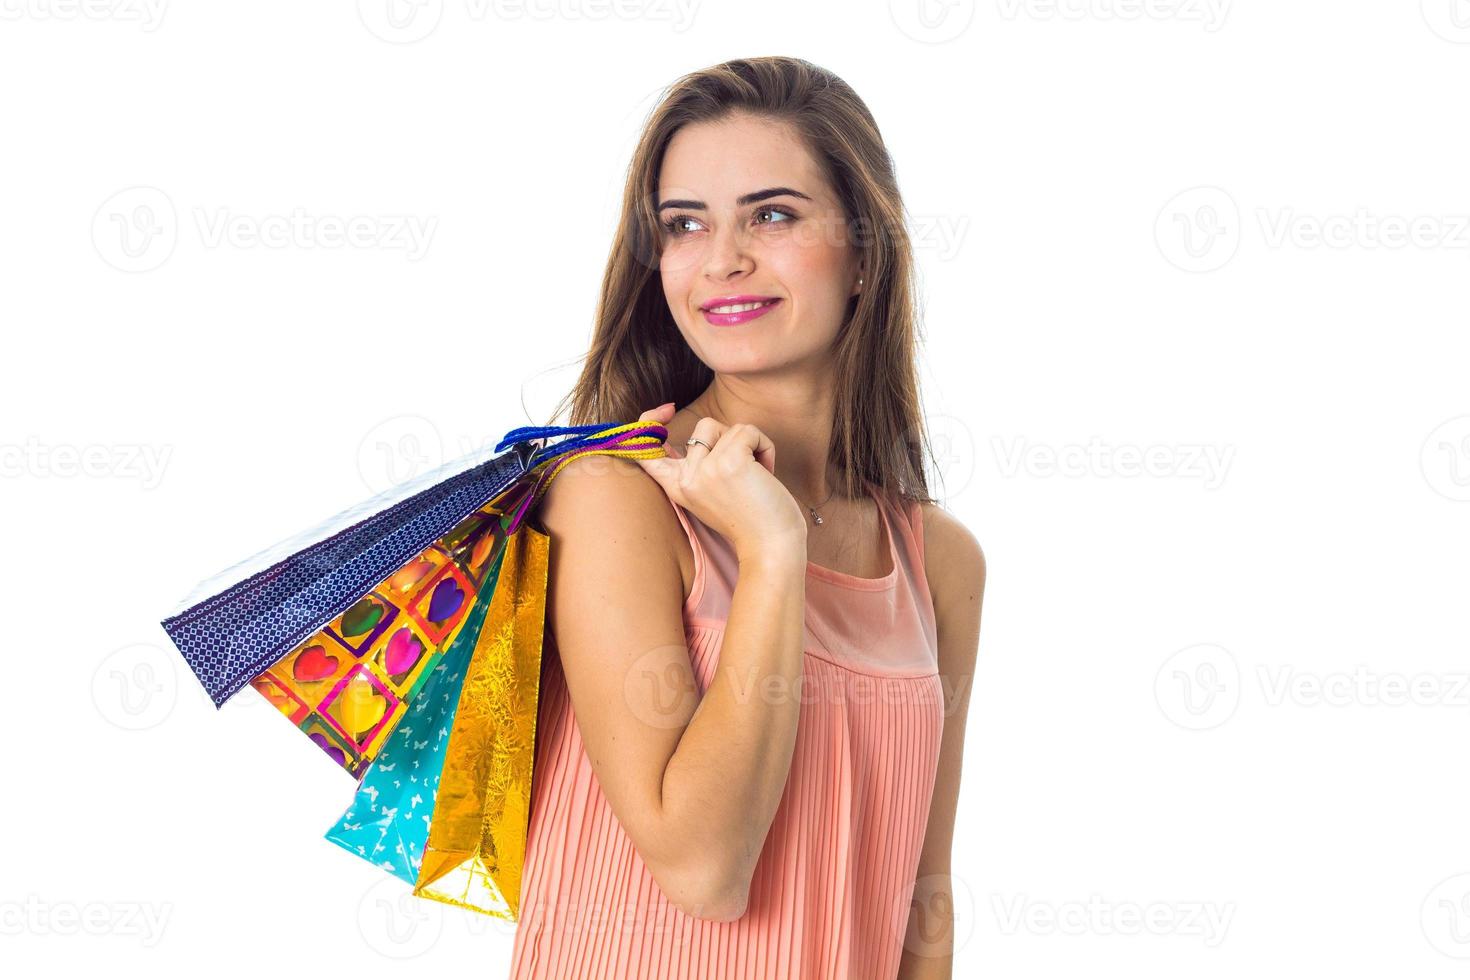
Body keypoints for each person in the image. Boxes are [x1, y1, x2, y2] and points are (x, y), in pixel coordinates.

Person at [509, 56, 985, 980]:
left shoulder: (940, 561)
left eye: (771, 214)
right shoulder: (617, 498)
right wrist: (771, 548)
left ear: (864, 255)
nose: (722, 258)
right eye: (684, 225)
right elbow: (701, 868)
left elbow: (923, 899)